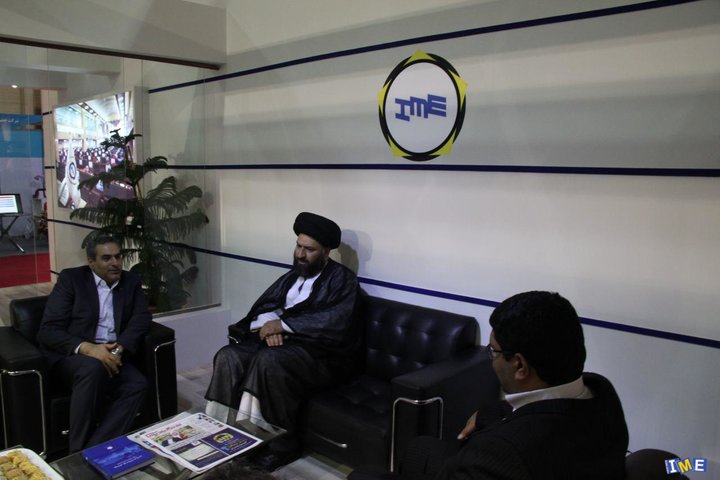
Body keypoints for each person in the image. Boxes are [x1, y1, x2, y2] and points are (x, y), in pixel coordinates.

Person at [350, 291, 629, 480]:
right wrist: (489, 413)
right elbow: (542, 410)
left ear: (519, 366)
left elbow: (507, 450)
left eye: (493, 351)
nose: (491, 359)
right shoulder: (600, 392)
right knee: (420, 448)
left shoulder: (502, 453)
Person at [205, 212, 362, 472]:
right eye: (298, 246)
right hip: (284, 346)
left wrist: (284, 326)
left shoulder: (343, 280)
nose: (300, 254)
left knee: (269, 360)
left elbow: (335, 321)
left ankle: (279, 445)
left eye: (309, 250)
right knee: (228, 356)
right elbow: (267, 306)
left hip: (322, 356)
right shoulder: (293, 275)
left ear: (326, 252)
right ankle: (222, 431)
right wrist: (270, 327)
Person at [36, 235, 151, 453]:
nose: (115, 263)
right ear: (91, 262)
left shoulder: (131, 281)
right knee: (93, 368)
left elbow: (141, 318)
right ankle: (76, 452)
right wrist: (89, 349)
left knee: (137, 384)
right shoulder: (72, 280)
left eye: (118, 256)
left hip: (112, 352)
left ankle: (93, 451)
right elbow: (48, 330)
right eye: (106, 258)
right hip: (74, 356)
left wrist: (119, 348)